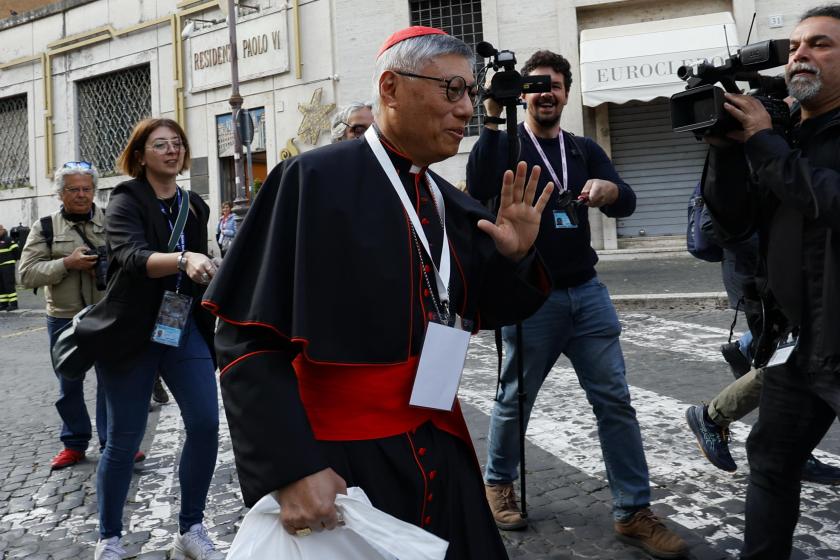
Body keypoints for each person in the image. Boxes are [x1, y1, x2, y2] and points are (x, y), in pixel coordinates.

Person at [203, 26, 553, 560]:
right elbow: (245, 337)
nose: (468, 111)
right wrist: (291, 469)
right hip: (341, 458)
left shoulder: (446, 201)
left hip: (436, 437)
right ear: (391, 88)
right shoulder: (310, 180)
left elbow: (494, 308)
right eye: (452, 90)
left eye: (471, 94)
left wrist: (516, 257)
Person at [467, 50, 687, 559]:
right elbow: (479, 184)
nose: (546, 93)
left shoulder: (584, 149)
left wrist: (612, 189)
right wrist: (493, 116)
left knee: (614, 400)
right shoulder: (507, 145)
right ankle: (498, 482)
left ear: (567, 93)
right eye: (537, 85)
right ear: (524, 93)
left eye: (556, 85)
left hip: (587, 292)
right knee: (514, 397)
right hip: (529, 297)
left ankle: (633, 511)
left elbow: (626, 198)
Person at [701, 6, 840, 558]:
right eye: (796, 46)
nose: (800, 54)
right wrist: (726, 152)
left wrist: (764, 143)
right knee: (772, 463)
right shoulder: (780, 133)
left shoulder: (780, 140)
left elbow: (829, 200)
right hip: (800, 344)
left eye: (821, 45)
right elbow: (732, 222)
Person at [73, 118, 223, 560]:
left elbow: (199, 268)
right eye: (160, 145)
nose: (172, 151)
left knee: (206, 424)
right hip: (131, 332)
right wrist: (183, 259)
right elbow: (128, 256)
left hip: (180, 327)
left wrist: (211, 271)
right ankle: (110, 538)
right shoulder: (125, 198)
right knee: (124, 438)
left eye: (177, 143)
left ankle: (190, 528)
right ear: (140, 155)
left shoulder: (194, 205)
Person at [18, 162, 146, 470]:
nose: (81, 195)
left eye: (87, 189)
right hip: (64, 318)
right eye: (73, 190)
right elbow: (25, 275)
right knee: (69, 384)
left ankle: (112, 442)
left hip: (107, 315)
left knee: (111, 382)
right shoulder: (45, 227)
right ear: (60, 194)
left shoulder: (112, 219)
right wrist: (66, 264)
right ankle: (74, 443)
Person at [0, 224, 19, 311]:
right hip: (1, 266)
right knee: (1, 285)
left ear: (2, 230)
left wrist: (13, 260)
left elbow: (16, 252)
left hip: (8, 265)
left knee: (9, 284)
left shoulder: (8, 239)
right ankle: (4, 304)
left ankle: (14, 304)